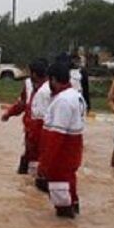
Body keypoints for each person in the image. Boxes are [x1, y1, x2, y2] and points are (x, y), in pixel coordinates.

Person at [38, 63, 86, 218]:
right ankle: (73, 209)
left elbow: (56, 136)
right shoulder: (76, 95)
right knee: (70, 189)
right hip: (71, 153)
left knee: (62, 204)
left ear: (53, 79)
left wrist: (44, 165)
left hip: (61, 157)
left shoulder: (63, 101)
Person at [2, 59, 50, 175]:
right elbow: (22, 103)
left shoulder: (49, 89)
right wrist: (9, 113)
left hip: (43, 130)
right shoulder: (28, 84)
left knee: (37, 159)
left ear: (33, 73)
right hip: (30, 129)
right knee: (28, 158)